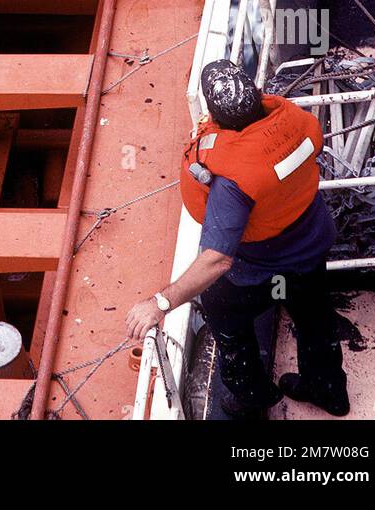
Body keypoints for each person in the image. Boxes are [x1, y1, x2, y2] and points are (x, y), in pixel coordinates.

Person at [124, 60, 348, 419]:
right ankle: (329, 391)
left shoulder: (231, 181)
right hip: (313, 243)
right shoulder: (291, 119)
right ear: (258, 97)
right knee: (313, 316)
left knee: (221, 309)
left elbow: (217, 259)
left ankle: (252, 398)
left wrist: (160, 303)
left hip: (264, 266)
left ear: (215, 115)